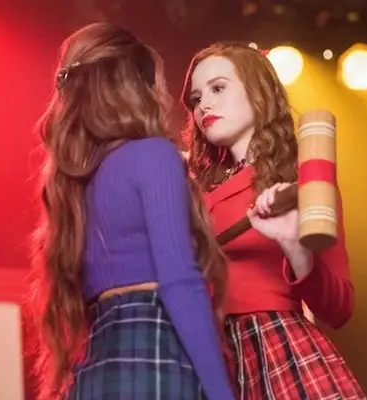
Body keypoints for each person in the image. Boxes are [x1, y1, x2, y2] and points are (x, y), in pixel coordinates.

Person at [29, 23, 235, 400]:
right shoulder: (154, 156)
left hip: (95, 371)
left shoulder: (74, 185)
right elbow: (180, 282)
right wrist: (222, 393)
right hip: (156, 358)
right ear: (133, 84)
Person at [181, 42, 366, 399]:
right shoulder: (189, 189)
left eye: (218, 88)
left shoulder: (300, 181)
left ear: (257, 91)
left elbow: (340, 308)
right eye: (196, 98)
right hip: (209, 360)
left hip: (276, 345)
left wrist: (295, 247)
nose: (204, 105)